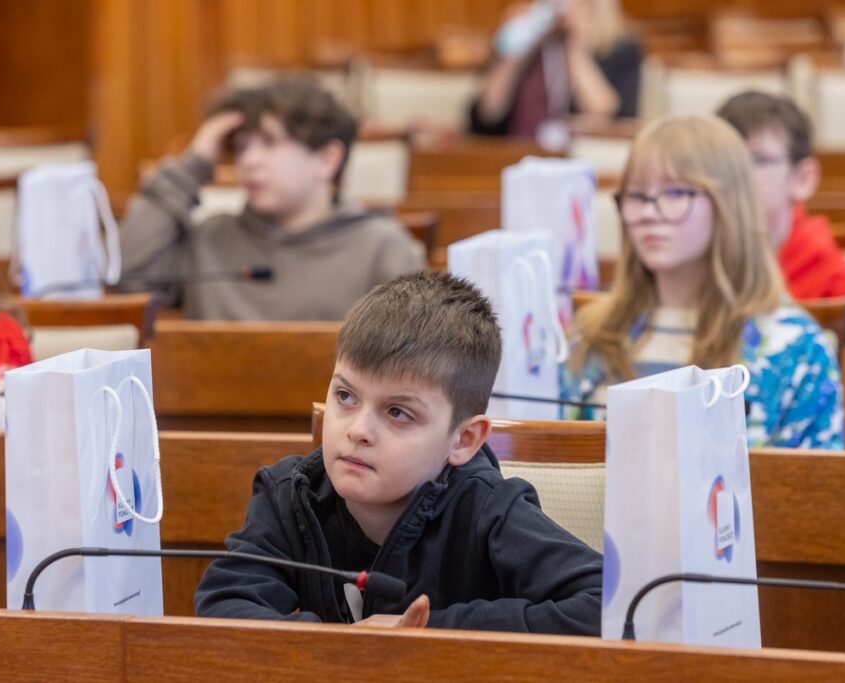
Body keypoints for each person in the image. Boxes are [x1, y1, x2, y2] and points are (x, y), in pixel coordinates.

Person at [196, 271, 603, 633]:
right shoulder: (290, 492)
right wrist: (339, 645)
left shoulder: (489, 510)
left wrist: (429, 632)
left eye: (398, 413)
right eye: (345, 396)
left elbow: (604, 604)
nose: (358, 430)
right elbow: (225, 603)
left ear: (463, 441)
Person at [561, 116, 845, 450]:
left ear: (728, 204)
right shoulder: (589, 336)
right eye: (637, 196)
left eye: (675, 193)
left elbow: (811, 496)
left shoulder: (795, 350)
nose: (650, 213)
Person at [119, 77, 423, 321]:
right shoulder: (212, 237)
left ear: (326, 160)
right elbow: (129, 279)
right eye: (241, 147)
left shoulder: (380, 246)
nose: (249, 161)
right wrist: (195, 162)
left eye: (268, 142)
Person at [717, 91, 845, 329]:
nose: (738, 174)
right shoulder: (691, 265)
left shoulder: (837, 283)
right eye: (726, 160)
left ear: (803, 179)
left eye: (758, 160)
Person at [469, 0, 640, 143]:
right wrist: (518, 46)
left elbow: (608, 116)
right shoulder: (526, 44)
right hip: (517, 153)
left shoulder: (620, 50)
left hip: (581, 156)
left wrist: (576, 51)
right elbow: (488, 113)